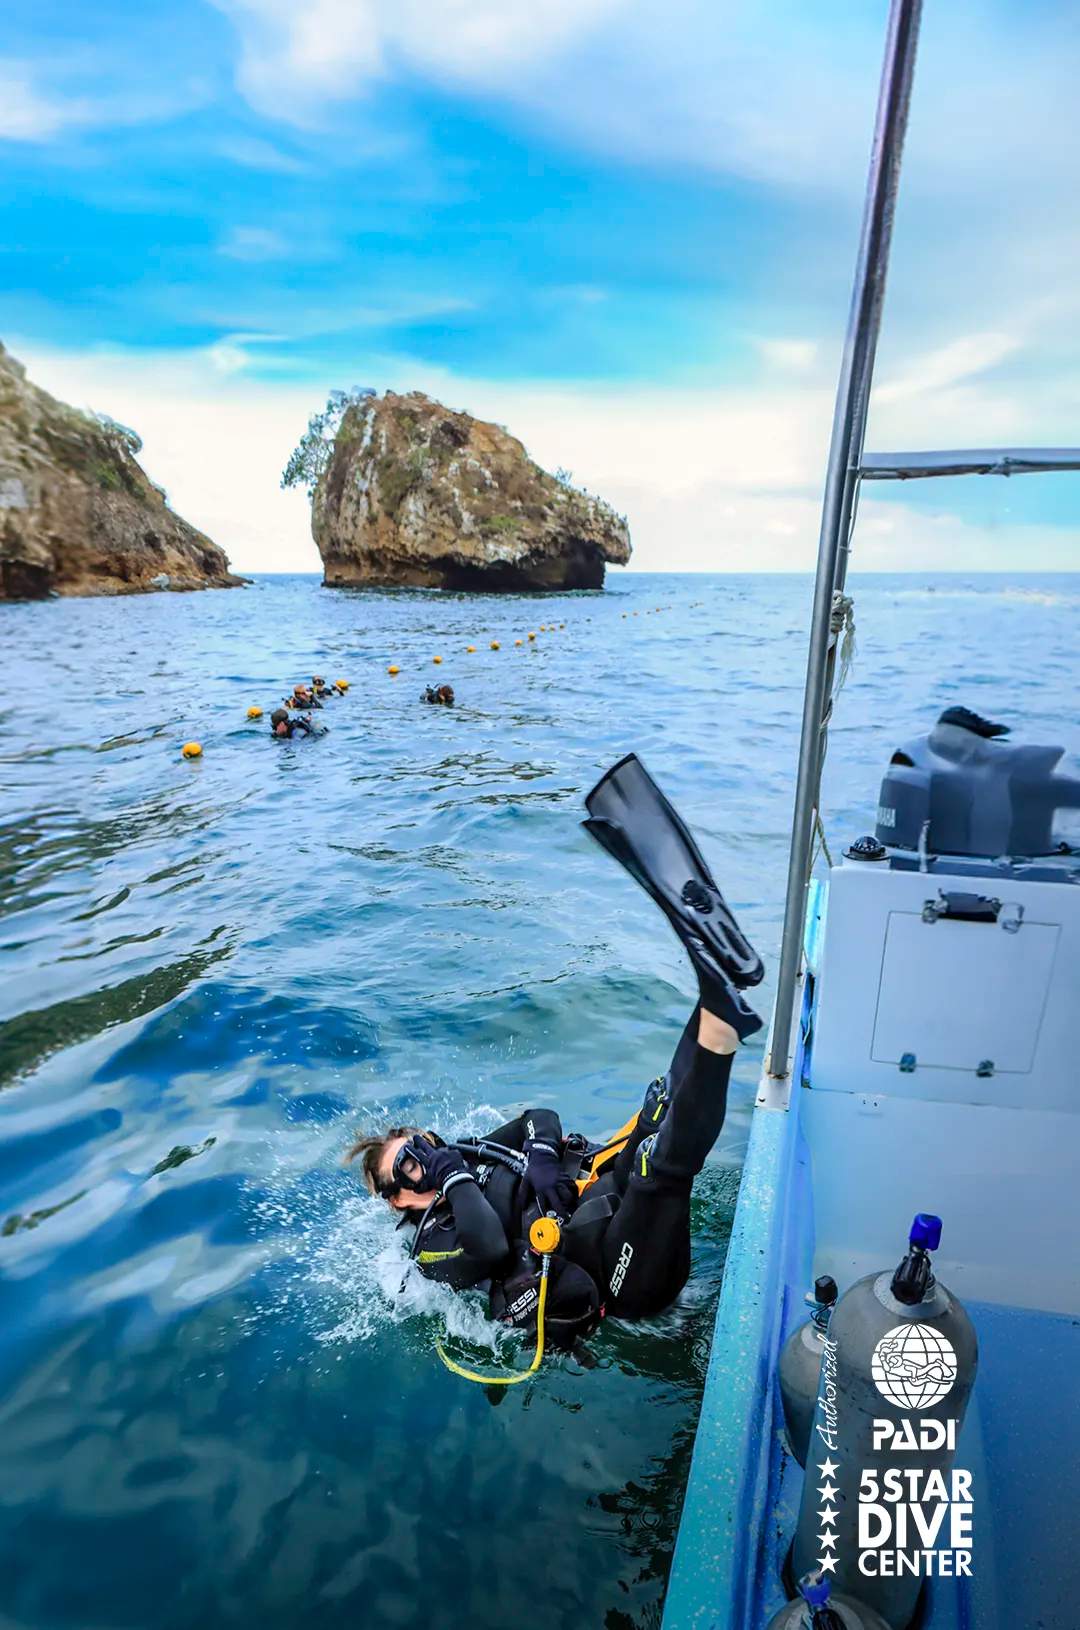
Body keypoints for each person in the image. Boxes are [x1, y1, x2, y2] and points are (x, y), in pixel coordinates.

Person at [346, 754, 764, 1344]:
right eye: (411, 1164)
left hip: (603, 1196)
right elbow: (489, 1246)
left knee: (657, 1114)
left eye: (422, 1144)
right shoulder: (429, 1248)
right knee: (661, 1172)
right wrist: (451, 1176)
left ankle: (713, 991)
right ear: (398, 1200)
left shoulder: (471, 1155)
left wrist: (540, 1160)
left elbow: (538, 1118)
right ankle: (718, 1018)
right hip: (620, 1278)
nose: (429, 1156)